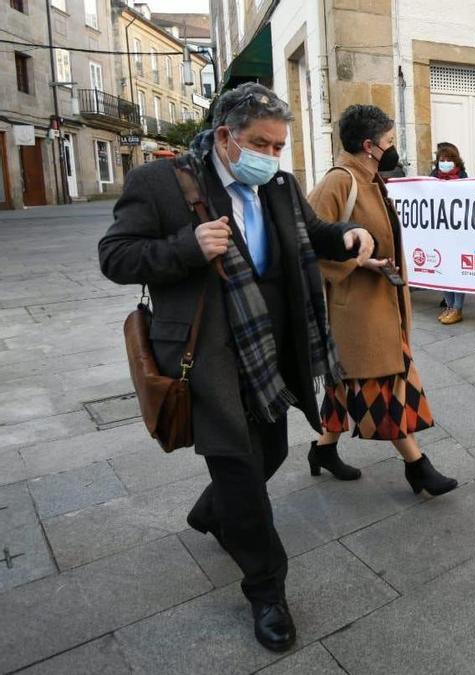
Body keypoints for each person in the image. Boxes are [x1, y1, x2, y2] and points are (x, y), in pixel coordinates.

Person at [98, 83, 377, 652]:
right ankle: (266, 590)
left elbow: (312, 232)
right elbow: (115, 255)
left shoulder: (278, 182)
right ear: (225, 137)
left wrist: (347, 235)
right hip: (207, 356)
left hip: (269, 348)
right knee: (242, 473)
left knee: (270, 450)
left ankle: (212, 513)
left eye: (279, 146)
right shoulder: (161, 181)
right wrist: (185, 246)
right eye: (261, 144)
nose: (271, 157)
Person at [307, 103, 457, 498]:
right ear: (369, 145)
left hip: (382, 305)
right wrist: (360, 262)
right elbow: (305, 240)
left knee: (347, 385)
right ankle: (416, 466)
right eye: (389, 141)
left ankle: (322, 451)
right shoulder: (339, 181)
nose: (394, 148)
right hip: (357, 311)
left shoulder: (374, 179)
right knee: (385, 386)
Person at [434, 144, 467, 323]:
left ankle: (457, 308)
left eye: (449, 160)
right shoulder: (433, 178)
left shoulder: (463, 178)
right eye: (442, 160)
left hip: (458, 233)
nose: (445, 163)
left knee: (456, 271)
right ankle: (448, 305)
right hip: (440, 232)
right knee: (442, 270)